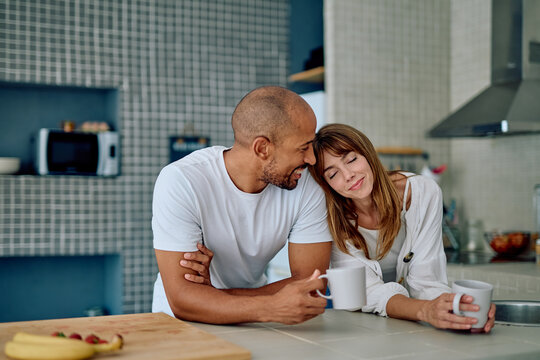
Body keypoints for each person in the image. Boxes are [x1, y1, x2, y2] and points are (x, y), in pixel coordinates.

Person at [152, 86, 332, 325]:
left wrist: (211, 298)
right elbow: (182, 300)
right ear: (262, 148)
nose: (312, 159)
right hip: (182, 325)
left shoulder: (305, 184)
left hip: (254, 320)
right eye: (303, 148)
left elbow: (312, 282)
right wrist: (268, 306)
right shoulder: (182, 180)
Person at [307, 123, 496, 332]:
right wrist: (425, 311)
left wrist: (456, 311)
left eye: (352, 159)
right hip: (357, 325)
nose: (348, 175)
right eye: (333, 174)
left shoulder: (423, 193)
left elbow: (427, 280)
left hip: (406, 321)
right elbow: (364, 291)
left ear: (368, 153)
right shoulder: (329, 218)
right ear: (326, 184)